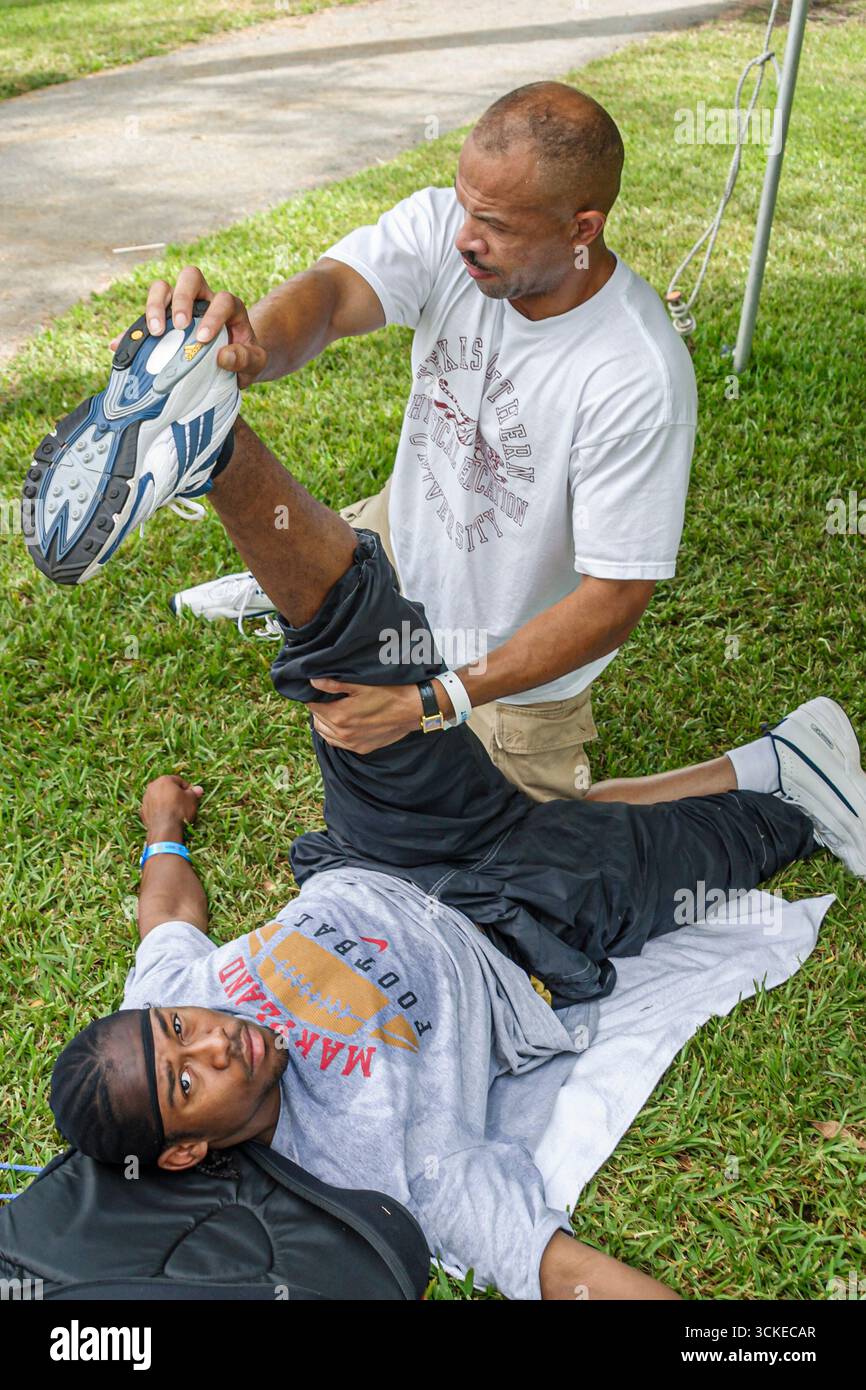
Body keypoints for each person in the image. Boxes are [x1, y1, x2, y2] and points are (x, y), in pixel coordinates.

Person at [32, 335, 866, 1298]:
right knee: (756, 829)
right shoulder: (379, 1161)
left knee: (349, 653)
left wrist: (161, 828)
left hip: (385, 849)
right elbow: (562, 1274)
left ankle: (209, 439)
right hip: (515, 921)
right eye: (190, 1082)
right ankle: (775, 772)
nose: (214, 1039)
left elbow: (168, 923)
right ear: (184, 1155)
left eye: (181, 1026)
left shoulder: (168, 1008)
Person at [149, 80, 698, 803]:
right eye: (466, 204)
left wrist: (432, 701)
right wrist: (255, 348)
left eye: (496, 222)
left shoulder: (636, 374)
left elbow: (614, 598)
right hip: (407, 540)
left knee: (517, 868)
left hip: (512, 684)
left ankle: (770, 772)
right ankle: (304, 574)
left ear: (581, 228)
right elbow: (334, 294)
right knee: (348, 550)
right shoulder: (452, 233)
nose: (466, 235)